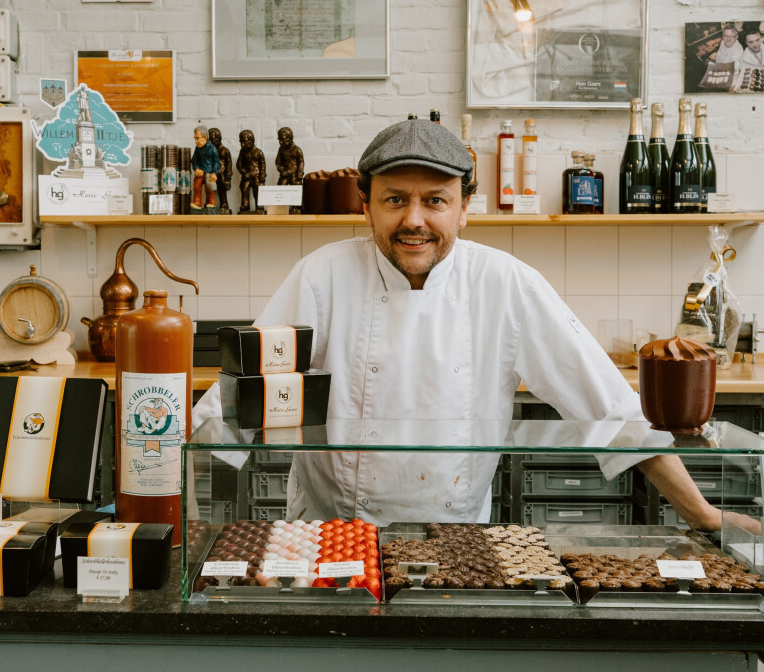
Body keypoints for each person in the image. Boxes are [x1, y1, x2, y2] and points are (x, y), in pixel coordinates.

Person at [193, 119, 757, 531]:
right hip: (329, 534)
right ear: (366, 205)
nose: (414, 220)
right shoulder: (321, 277)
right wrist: (177, 523)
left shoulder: (507, 283)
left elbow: (610, 407)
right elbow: (233, 405)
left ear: (464, 207)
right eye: (395, 200)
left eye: (434, 201)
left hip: (454, 537)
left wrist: (705, 517)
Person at [236, 129, 266, 213]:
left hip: (257, 176)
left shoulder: (258, 152)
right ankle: (245, 206)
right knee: (244, 189)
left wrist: (262, 176)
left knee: (257, 189)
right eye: (241, 142)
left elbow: (263, 165)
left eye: (244, 142)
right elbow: (239, 165)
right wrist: (244, 172)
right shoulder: (242, 152)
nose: (242, 144)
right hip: (247, 176)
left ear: (251, 141)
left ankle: (259, 205)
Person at [190, 125, 218, 209]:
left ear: (205, 137)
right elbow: (194, 160)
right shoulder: (198, 149)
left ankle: (211, 202)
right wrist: (196, 168)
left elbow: (216, 162)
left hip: (209, 172)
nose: (196, 141)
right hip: (200, 171)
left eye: (198, 138)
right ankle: (197, 202)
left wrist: (214, 173)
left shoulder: (212, 148)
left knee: (209, 188)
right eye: (195, 138)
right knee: (196, 187)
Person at [208, 127, 232, 213]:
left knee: (222, 190)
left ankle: (224, 204)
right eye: (209, 139)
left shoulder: (224, 151)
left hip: (222, 175)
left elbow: (229, 165)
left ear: (219, 138)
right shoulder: (209, 151)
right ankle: (210, 203)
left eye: (213, 139)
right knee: (209, 188)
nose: (211, 141)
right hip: (212, 174)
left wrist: (228, 177)